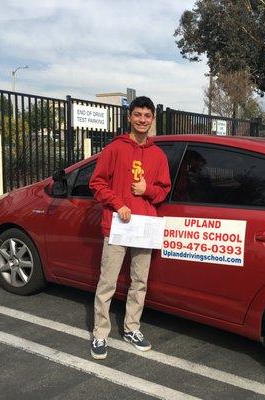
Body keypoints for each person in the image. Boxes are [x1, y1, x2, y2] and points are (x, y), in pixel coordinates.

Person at [88, 96, 171, 360]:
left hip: (144, 226)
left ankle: (131, 328)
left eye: (147, 115)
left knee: (139, 282)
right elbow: (97, 183)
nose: (142, 120)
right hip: (117, 225)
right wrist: (117, 203)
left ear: (152, 119)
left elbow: (163, 191)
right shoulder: (115, 149)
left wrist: (148, 190)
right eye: (138, 115)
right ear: (129, 117)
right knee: (107, 282)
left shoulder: (158, 155)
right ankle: (100, 333)